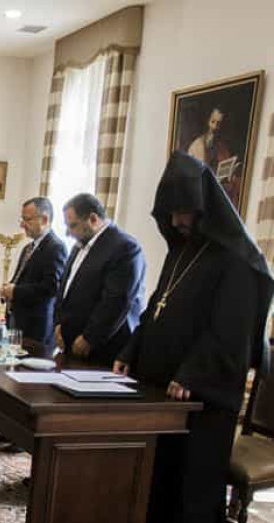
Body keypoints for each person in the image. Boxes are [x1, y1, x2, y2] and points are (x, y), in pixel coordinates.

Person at [114, 151, 274, 523]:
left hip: (203, 397)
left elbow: (231, 328)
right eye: (170, 212)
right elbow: (157, 306)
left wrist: (192, 373)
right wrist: (130, 349)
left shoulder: (235, 258)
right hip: (164, 390)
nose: (176, 221)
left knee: (191, 489)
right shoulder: (181, 252)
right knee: (159, 480)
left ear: (204, 208)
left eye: (183, 211)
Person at [54, 193, 145, 366]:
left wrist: (90, 338)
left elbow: (117, 300)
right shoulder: (78, 246)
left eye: (73, 225)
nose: (67, 233)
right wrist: (58, 323)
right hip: (71, 343)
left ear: (93, 219)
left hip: (102, 347)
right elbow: (64, 287)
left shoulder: (124, 247)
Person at [0, 197, 67, 346]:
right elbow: (19, 280)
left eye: (27, 219)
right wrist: (7, 289)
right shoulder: (28, 248)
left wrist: (15, 291)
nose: (22, 224)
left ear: (44, 219)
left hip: (37, 328)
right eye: (22, 219)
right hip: (17, 322)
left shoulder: (56, 247)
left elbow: (50, 287)